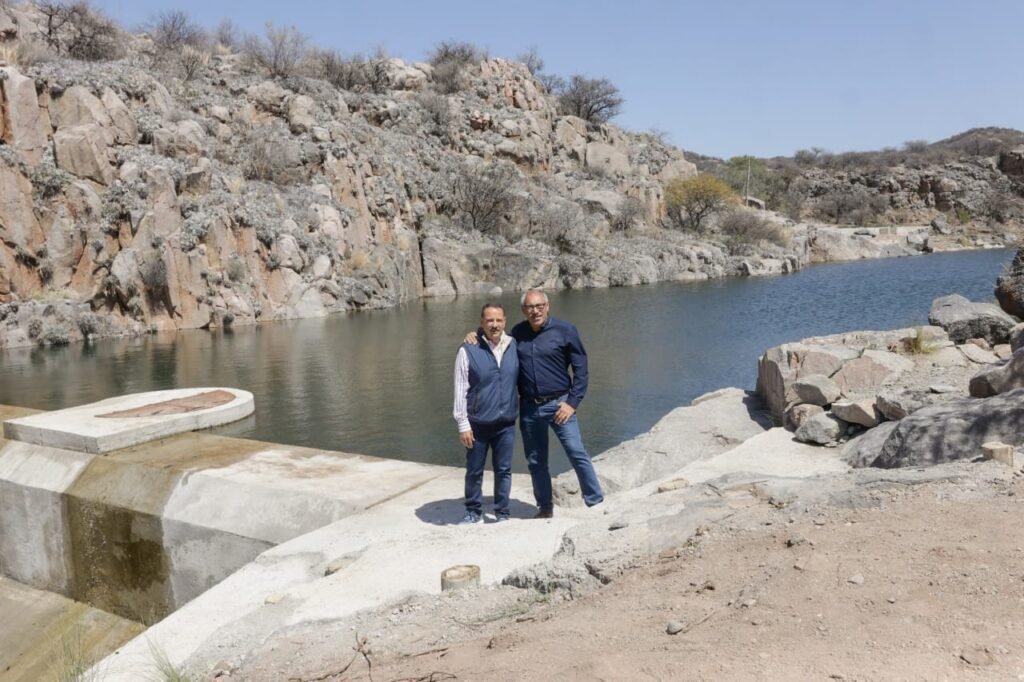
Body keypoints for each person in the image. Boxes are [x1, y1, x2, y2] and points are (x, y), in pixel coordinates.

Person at [467, 289, 603, 518]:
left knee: (576, 452)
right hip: (530, 408)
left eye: (539, 305)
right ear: (523, 310)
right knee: (536, 460)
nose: (535, 310)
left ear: (547, 306)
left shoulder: (566, 330)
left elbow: (581, 370)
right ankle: (545, 507)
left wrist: (572, 402)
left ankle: (595, 501)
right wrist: (476, 333)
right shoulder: (518, 333)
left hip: (560, 405)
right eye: (530, 307)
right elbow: (495, 335)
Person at [453, 303, 518, 524]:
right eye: (489, 320)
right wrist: (463, 424)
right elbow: (460, 389)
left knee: (504, 470)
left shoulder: (513, 345)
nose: (494, 324)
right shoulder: (468, 349)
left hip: (506, 423)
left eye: (499, 320)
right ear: (481, 323)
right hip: (477, 423)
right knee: (474, 470)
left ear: (505, 321)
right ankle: (473, 511)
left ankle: (502, 512)